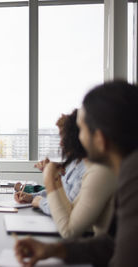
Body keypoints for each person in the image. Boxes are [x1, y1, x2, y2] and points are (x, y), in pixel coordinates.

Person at [14, 80, 138, 266]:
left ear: (100, 139)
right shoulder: (121, 171)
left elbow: (71, 230)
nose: (77, 139)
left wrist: (49, 178)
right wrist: (54, 250)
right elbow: (114, 244)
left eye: (82, 130)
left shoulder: (130, 175)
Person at [14, 111, 87, 217]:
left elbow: (65, 209)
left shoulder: (85, 171)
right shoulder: (72, 164)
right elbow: (56, 194)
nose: (61, 143)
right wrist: (31, 197)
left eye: (64, 137)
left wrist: (39, 201)